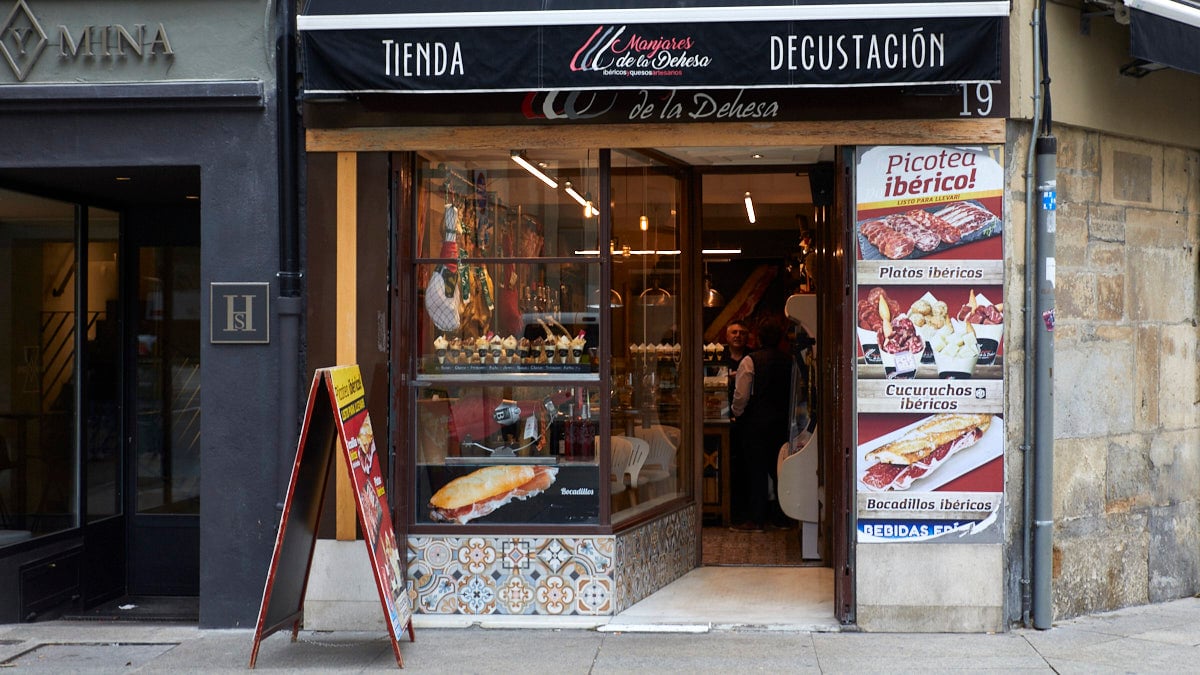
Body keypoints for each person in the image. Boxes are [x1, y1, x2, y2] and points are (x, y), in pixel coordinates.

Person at [729, 320, 792, 532]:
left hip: (755, 423)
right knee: (779, 469)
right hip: (782, 422)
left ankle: (757, 519)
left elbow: (741, 395)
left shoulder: (750, 360)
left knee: (756, 470)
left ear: (757, 338)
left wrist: (737, 413)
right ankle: (783, 518)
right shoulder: (789, 360)